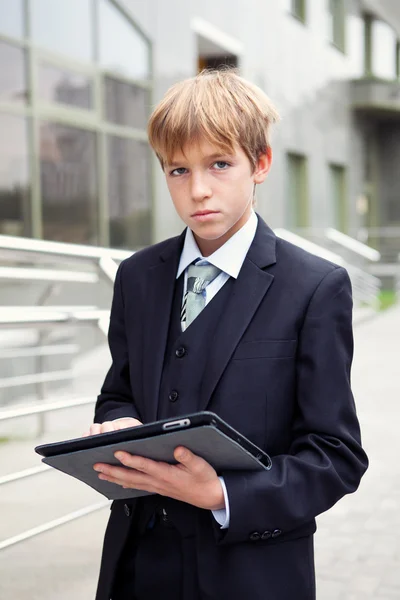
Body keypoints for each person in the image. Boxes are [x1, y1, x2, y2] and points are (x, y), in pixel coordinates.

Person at [85, 69, 368, 600]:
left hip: (250, 575)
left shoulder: (315, 288)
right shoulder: (138, 277)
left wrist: (220, 493)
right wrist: (117, 420)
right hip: (136, 568)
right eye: (177, 170)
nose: (198, 190)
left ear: (259, 163)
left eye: (220, 164)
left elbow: (335, 455)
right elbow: (118, 389)